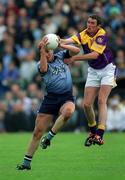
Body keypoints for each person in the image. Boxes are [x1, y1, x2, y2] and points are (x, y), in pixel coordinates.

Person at [17, 36, 80, 170]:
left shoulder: (61, 55)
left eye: (50, 50)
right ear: (42, 53)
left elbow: (76, 50)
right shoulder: (40, 64)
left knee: (68, 111)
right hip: (50, 99)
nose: (49, 52)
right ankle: (26, 163)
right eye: (46, 51)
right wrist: (42, 52)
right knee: (37, 132)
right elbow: (44, 69)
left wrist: (61, 44)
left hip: (66, 96)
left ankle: (49, 137)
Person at [61, 14, 117, 146]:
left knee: (101, 100)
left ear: (98, 26)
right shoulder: (84, 33)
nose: (89, 25)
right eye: (88, 22)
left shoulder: (101, 35)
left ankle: (100, 134)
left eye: (93, 23)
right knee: (86, 104)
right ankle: (92, 131)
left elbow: (94, 55)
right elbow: (70, 40)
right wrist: (58, 41)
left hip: (107, 69)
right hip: (93, 71)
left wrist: (74, 59)